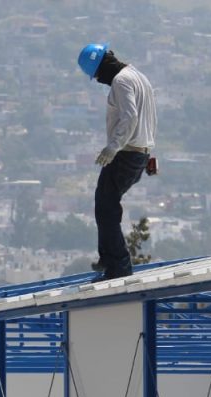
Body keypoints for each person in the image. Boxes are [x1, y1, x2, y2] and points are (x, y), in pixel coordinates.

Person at [77, 43, 157, 280]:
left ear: (103, 66)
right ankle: (108, 257)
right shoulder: (139, 77)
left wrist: (113, 147)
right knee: (106, 203)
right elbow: (147, 118)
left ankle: (118, 264)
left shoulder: (121, 81)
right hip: (140, 152)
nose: (100, 80)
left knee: (106, 206)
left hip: (126, 153)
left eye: (98, 75)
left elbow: (130, 116)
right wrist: (148, 153)